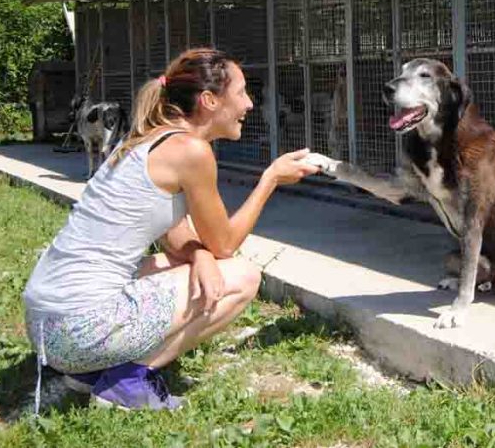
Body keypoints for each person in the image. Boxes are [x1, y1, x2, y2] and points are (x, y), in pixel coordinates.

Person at [22, 48, 321, 411]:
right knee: (242, 276)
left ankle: (88, 371)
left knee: (189, 267)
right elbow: (226, 245)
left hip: (46, 325)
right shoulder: (190, 151)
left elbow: (176, 234)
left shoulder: (150, 140)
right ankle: (126, 380)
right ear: (210, 100)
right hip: (75, 330)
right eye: (242, 92)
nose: (250, 104)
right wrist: (270, 179)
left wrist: (199, 256)